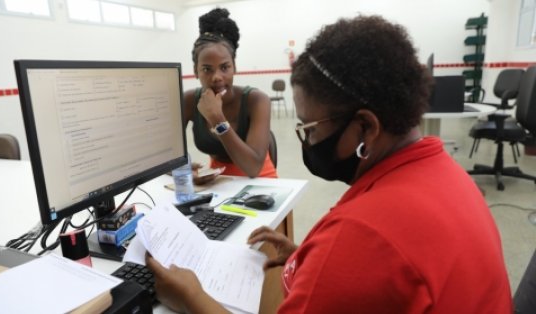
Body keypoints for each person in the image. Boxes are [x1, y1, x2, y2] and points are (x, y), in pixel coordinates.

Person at [146, 15, 512, 313]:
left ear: (366, 126)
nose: (305, 140)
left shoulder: (362, 236)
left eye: (308, 127)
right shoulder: (446, 173)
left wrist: (192, 296)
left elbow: (364, 250)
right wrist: (307, 257)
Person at [184, 8, 277, 182]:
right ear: (196, 72)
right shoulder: (189, 101)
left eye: (225, 67)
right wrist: (183, 170)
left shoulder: (256, 100)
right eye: (206, 69)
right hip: (218, 181)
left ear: (234, 67)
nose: (217, 77)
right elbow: (163, 156)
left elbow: (253, 168)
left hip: (260, 182)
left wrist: (217, 119)